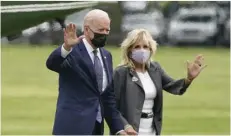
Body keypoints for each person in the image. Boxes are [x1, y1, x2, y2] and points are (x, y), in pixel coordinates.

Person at [46, 9, 127, 135]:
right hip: (72, 129)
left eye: (107, 30)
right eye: (100, 30)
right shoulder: (72, 51)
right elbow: (52, 64)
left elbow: (106, 97)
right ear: (87, 30)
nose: (104, 34)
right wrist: (66, 48)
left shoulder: (106, 55)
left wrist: (119, 129)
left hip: (96, 129)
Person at [113, 29, 207, 135]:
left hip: (152, 129)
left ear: (150, 49)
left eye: (145, 46)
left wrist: (189, 79)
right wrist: (125, 126)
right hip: (129, 131)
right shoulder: (121, 73)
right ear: (129, 50)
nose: (142, 50)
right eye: (137, 47)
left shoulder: (155, 69)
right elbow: (112, 106)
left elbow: (172, 86)